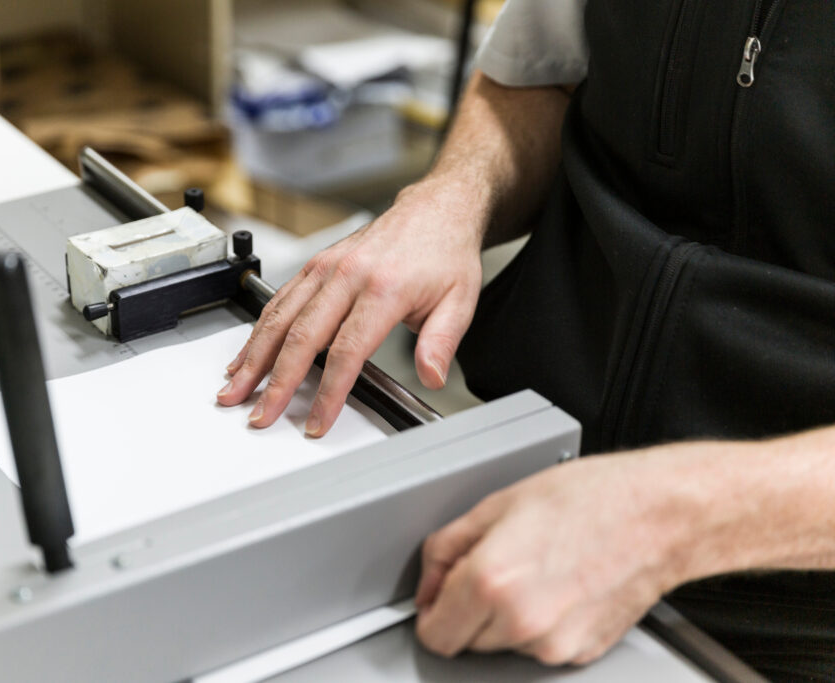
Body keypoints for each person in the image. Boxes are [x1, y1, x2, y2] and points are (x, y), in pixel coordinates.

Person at [217, 0, 835, 679]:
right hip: (533, 485)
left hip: (791, 609)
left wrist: (673, 517)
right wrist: (454, 196)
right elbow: (544, 75)